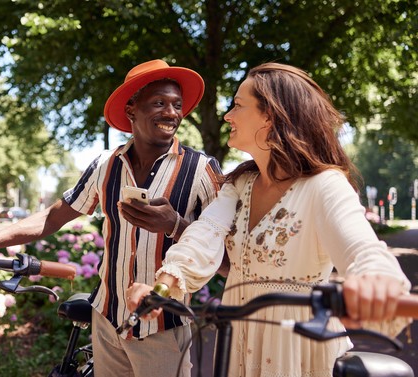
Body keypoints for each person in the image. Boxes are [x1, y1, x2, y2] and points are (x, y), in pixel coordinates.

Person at [0, 59, 222, 377]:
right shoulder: (105, 165)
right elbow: (53, 217)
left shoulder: (201, 170)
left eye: (176, 105)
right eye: (159, 103)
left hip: (163, 328)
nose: (171, 113)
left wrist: (174, 225)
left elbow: (227, 254)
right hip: (106, 321)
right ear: (132, 110)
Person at [126, 62, 412, 376]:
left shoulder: (324, 185)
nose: (227, 116)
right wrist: (162, 287)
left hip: (297, 345)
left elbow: (361, 247)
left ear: (270, 115)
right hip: (237, 339)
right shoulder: (240, 185)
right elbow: (204, 233)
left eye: (237, 105)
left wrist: (376, 282)